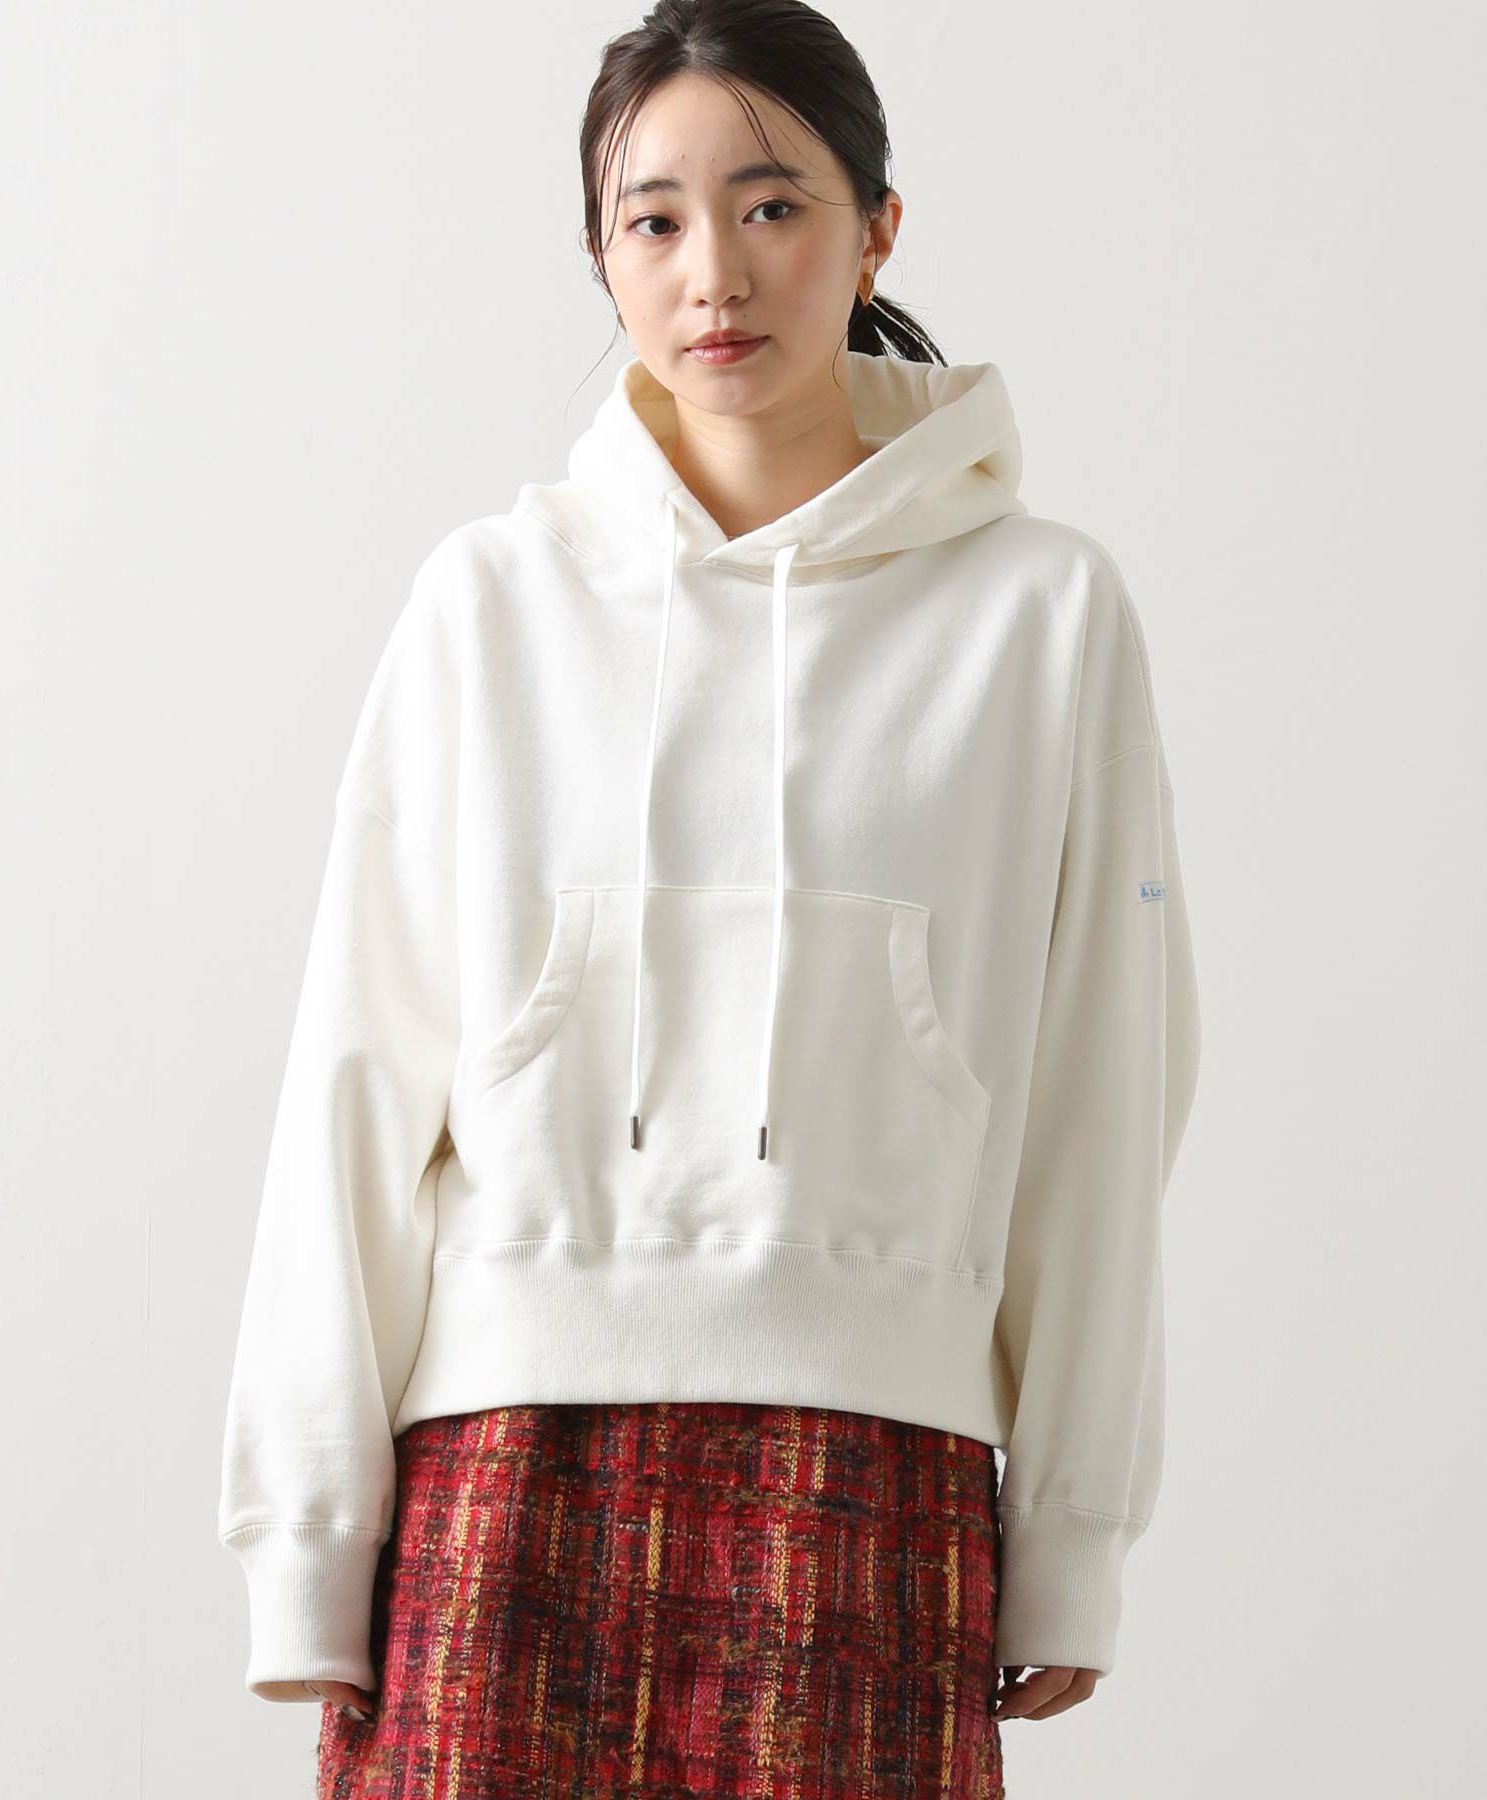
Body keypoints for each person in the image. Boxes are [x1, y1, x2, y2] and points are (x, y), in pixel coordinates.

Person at [217, 2, 1202, 1793]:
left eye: (772, 207)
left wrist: (1073, 1521)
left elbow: (1102, 1087)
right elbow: (357, 1074)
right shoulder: (490, 603)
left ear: (876, 228)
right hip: (500, 1466)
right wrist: (307, 1537)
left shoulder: (1044, 613)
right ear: (601, 255)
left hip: (874, 1459)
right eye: (652, 220)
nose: (713, 273)